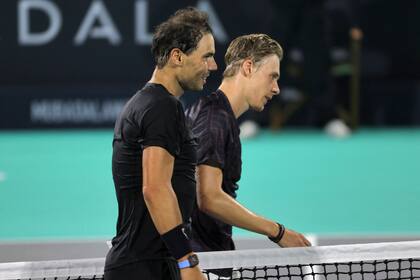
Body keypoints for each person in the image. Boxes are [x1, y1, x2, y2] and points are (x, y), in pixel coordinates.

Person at [104, 7, 217, 280]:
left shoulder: (151, 103)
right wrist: (186, 261)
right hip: (146, 268)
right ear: (177, 56)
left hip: (150, 263)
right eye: (207, 57)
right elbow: (155, 189)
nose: (212, 67)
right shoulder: (161, 108)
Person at [186, 34, 311, 257]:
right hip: (202, 261)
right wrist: (278, 232)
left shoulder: (216, 114)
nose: (276, 89)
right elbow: (209, 197)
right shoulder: (215, 119)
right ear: (248, 67)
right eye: (272, 77)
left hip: (208, 256)